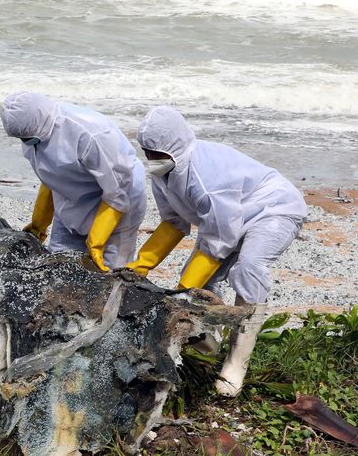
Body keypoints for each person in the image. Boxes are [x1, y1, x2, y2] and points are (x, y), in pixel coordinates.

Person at [125, 106, 307, 397]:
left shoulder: (206, 177)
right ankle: (210, 346)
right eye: (147, 152)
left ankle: (237, 362)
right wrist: (143, 264)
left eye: (156, 154)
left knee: (247, 268)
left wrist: (185, 287)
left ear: (174, 147)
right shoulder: (164, 174)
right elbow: (173, 222)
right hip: (230, 217)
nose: (151, 160)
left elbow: (220, 237)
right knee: (200, 285)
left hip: (273, 208)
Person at [0, 92, 146, 271]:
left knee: (107, 273)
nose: (25, 142)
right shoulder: (32, 130)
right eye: (22, 139)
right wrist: (40, 223)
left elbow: (118, 189)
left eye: (26, 138)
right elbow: (51, 175)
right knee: (58, 265)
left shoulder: (90, 134)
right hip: (72, 200)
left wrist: (97, 241)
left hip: (117, 203)